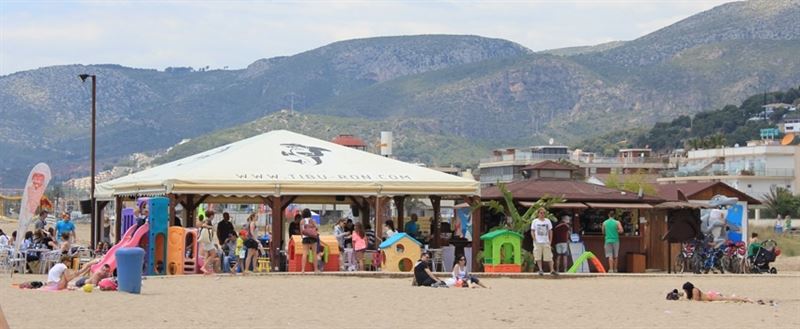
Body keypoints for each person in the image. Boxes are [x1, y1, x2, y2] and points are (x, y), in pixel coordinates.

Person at [531, 208, 557, 276]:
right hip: (538, 241)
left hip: (546, 241)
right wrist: (534, 239)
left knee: (549, 256)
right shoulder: (535, 221)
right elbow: (532, 230)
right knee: (538, 256)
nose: (542, 214)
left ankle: (552, 270)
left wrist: (550, 240)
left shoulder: (547, 221)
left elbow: (550, 231)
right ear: (538, 214)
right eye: (541, 213)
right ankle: (540, 270)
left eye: (543, 213)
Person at [679, 281, 752, 303]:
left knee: (728, 299)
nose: (685, 291)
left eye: (685, 290)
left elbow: (696, 300)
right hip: (710, 295)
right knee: (727, 298)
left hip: (711, 297)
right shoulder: (691, 291)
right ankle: (742, 298)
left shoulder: (694, 290)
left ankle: (746, 299)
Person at [300, 208, 319, 273]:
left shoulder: (302, 221)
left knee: (304, 253)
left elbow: (301, 231)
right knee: (314, 253)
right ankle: (316, 269)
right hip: (313, 237)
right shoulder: (312, 220)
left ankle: (303, 270)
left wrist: (302, 237)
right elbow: (316, 227)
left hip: (305, 237)